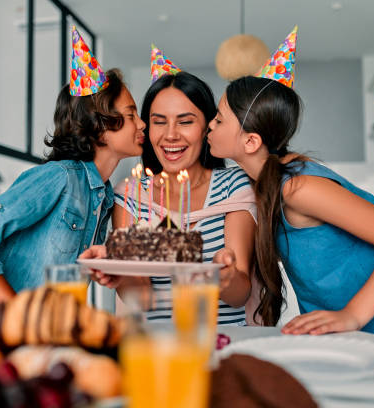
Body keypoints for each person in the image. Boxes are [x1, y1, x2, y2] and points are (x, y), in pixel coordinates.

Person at [206, 28, 374, 408]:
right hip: (362, 327)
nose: (210, 128)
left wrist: (351, 315)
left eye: (218, 120)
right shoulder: (266, 189)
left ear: (250, 142)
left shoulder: (299, 189)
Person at [0, 27, 146, 329]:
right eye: (130, 115)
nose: (141, 124)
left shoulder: (104, 197)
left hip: (33, 342)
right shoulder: (58, 178)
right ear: (99, 125)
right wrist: (18, 311)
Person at [86, 47, 256, 325]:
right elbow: (140, 296)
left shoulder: (233, 186)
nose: (171, 135)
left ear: (207, 127)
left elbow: (240, 294)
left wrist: (225, 275)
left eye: (186, 122)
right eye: (159, 122)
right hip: (156, 349)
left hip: (223, 344)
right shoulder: (129, 194)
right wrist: (121, 274)